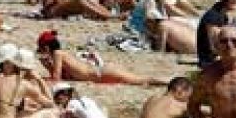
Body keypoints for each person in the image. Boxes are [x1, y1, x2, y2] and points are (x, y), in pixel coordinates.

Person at [36, 30, 165, 86]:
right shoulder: (62, 54)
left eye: (41, 49)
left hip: (101, 73)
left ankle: (169, 81)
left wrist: (46, 67)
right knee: (142, 79)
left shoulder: (58, 54)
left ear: (46, 48)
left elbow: (56, 79)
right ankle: (168, 81)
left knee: (142, 80)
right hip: (102, 70)